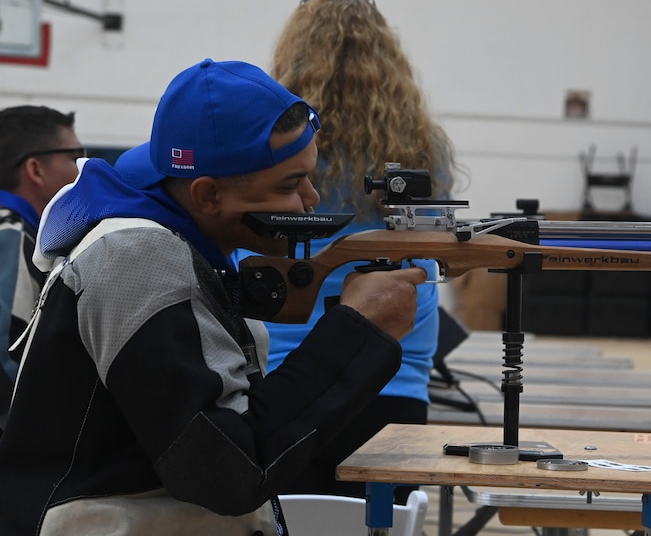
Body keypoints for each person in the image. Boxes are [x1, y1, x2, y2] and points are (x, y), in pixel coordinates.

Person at [0, 58, 425, 535]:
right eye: (289, 183)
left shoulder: (164, 232)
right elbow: (228, 472)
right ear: (206, 196)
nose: (310, 198)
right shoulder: (137, 259)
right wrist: (358, 329)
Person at [231, 0, 462, 499]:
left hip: (284, 367)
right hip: (395, 364)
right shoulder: (424, 144)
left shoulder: (273, 138)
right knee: (384, 522)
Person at [0, 105, 83, 429]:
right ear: (36, 169)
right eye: (74, 157)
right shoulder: (10, 234)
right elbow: (5, 362)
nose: (83, 170)